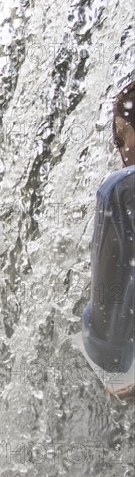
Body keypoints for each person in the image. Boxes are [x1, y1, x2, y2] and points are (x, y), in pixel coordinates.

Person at [77, 79, 135, 400]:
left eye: (123, 134)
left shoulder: (123, 187)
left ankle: (107, 343)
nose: (122, 150)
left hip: (112, 350)